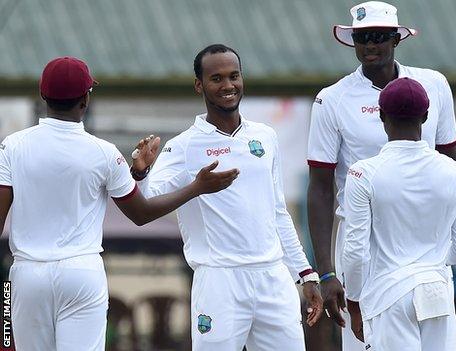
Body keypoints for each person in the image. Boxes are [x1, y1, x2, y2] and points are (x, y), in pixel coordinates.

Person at [0, 56, 239, 351]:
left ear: (42, 95)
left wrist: (140, 174)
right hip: (81, 273)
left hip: (27, 274)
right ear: (85, 99)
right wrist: (196, 187)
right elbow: (140, 214)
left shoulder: (12, 146)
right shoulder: (104, 153)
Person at [306, 1, 456, 348]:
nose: (369, 45)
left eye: (378, 36)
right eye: (361, 38)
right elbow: (320, 189)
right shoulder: (332, 99)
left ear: (396, 39)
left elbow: (453, 161)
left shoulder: (433, 85)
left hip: (423, 241)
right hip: (361, 238)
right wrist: (326, 271)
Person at [130, 44, 323, 351]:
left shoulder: (265, 136)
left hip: (273, 277)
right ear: (199, 85)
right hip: (219, 281)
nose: (228, 85)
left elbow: (277, 211)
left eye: (234, 76)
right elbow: (147, 201)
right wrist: (141, 172)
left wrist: (305, 273)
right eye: (216, 78)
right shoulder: (182, 146)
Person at [342, 77, 456, 350]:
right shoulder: (452, 171)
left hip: (388, 294)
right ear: (426, 116)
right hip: (437, 291)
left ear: (381, 115)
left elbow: (356, 252)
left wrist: (354, 302)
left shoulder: (362, 173)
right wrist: (428, 264)